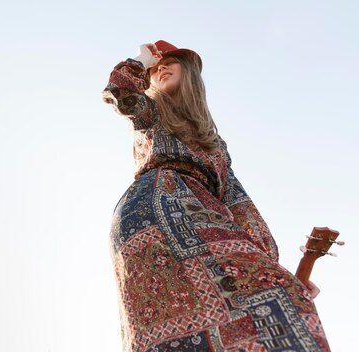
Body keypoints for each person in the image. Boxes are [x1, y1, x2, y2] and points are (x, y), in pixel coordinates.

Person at [102, 40, 330, 352]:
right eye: (155, 69)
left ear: (191, 73)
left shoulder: (214, 142)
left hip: (201, 208)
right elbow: (120, 92)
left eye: (172, 61)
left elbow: (239, 205)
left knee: (282, 300)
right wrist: (143, 58)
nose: (162, 68)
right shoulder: (152, 111)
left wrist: (277, 271)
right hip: (150, 211)